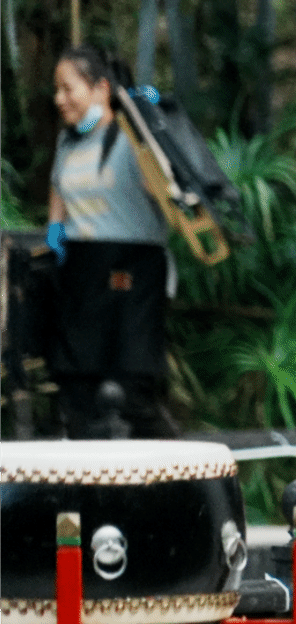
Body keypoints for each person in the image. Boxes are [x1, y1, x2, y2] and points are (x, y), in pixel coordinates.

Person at [45, 44, 178, 437]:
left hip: (132, 270)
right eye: (57, 90)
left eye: (68, 88)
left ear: (101, 89)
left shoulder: (131, 139)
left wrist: (150, 124)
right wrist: (55, 226)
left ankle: (169, 465)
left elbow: (169, 191)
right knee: (77, 385)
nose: (59, 99)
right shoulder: (67, 142)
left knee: (131, 386)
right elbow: (58, 186)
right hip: (80, 271)